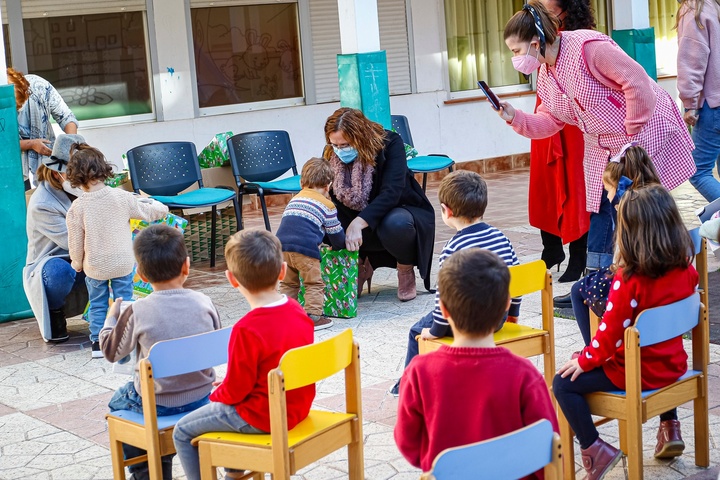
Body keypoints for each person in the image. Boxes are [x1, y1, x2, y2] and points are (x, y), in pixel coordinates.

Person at [499, 1, 695, 277]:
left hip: (643, 129)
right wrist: (513, 117)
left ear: (536, 42)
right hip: (602, 145)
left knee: (641, 204)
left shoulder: (587, 46)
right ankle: (596, 278)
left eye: (516, 50)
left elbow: (636, 80)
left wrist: (631, 131)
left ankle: (660, 269)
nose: (515, 58)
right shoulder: (546, 74)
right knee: (601, 207)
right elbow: (550, 121)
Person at [553, 185, 698, 479]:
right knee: (585, 361)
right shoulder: (686, 269)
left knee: (562, 383)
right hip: (673, 365)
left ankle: (595, 449)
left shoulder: (628, 280)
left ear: (629, 233)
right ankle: (670, 427)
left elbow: (608, 338)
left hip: (636, 373)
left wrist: (584, 360)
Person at [394, 248, 558, 476]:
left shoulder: (419, 372)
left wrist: (441, 465)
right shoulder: (525, 375)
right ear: (506, 305)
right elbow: (547, 442)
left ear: (443, 311)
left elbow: (407, 442)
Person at [173, 230, 315, 480]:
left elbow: (236, 391)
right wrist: (228, 386)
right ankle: (234, 474)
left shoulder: (246, 328)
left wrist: (217, 393)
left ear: (231, 279)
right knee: (224, 410)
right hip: (296, 407)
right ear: (282, 271)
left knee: (182, 431)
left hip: (262, 416)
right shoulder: (297, 310)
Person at [100, 224, 221, 480]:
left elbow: (112, 351)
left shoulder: (138, 310)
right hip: (201, 397)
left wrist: (111, 320)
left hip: (158, 403)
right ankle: (162, 456)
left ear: (141, 274)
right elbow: (214, 343)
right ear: (186, 266)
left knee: (118, 401)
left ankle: (148, 470)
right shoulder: (204, 302)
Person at [389, 170, 521, 396]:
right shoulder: (500, 237)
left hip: (462, 321)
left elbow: (444, 298)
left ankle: (407, 387)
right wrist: (512, 314)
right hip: (497, 317)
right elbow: (516, 278)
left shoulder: (452, 249)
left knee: (416, 332)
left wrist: (437, 329)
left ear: (446, 211)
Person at [66, 145, 168, 357]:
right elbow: (148, 212)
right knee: (125, 301)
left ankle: (97, 343)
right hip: (122, 262)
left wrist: (76, 263)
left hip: (95, 265)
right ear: (103, 169)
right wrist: (162, 207)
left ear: (75, 176)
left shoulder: (78, 207)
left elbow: (75, 242)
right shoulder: (122, 197)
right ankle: (126, 341)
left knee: (97, 304)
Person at [323, 107, 435, 301]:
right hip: (353, 215)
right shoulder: (331, 153)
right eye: (335, 145)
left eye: (346, 145)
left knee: (395, 224)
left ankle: (405, 267)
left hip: (396, 209)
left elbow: (392, 192)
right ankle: (358, 265)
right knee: (322, 218)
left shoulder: (390, 143)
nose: (340, 150)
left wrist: (359, 222)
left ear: (360, 136)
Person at [569, 144, 661, 348]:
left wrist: (617, 209)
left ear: (621, 189)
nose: (608, 197)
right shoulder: (659, 197)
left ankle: (594, 348)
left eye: (608, 190)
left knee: (580, 289)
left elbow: (623, 262)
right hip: (661, 276)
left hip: (638, 282)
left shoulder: (629, 210)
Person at [531, 0, 594, 283]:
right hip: (546, 108)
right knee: (546, 183)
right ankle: (552, 248)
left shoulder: (579, 35)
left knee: (575, 185)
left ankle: (579, 256)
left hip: (572, 118)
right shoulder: (539, 25)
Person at [23, 134, 88, 343]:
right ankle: (54, 312)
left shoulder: (87, 190)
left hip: (84, 258)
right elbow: (72, 242)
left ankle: (109, 311)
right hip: (55, 263)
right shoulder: (42, 203)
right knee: (60, 271)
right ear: (57, 172)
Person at [276, 157, 346, 331]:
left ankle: (285, 315)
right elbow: (335, 233)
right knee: (313, 283)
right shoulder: (327, 204)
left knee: (288, 284)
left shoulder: (295, 198)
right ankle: (314, 316)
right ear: (327, 186)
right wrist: (339, 246)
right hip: (306, 249)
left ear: (302, 182)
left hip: (280, 247)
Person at [7, 67, 78, 190]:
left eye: (20, 107)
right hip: (11, 163)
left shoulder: (40, 87)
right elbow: (4, 142)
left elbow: (66, 117)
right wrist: (31, 144)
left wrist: (70, 146)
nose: (18, 112)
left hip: (47, 155)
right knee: (22, 197)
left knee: (53, 192)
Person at [677, 0, 720, 202]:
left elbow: (692, 60)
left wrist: (690, 103)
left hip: (713, 105)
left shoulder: (695, 9)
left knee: (698, 172)